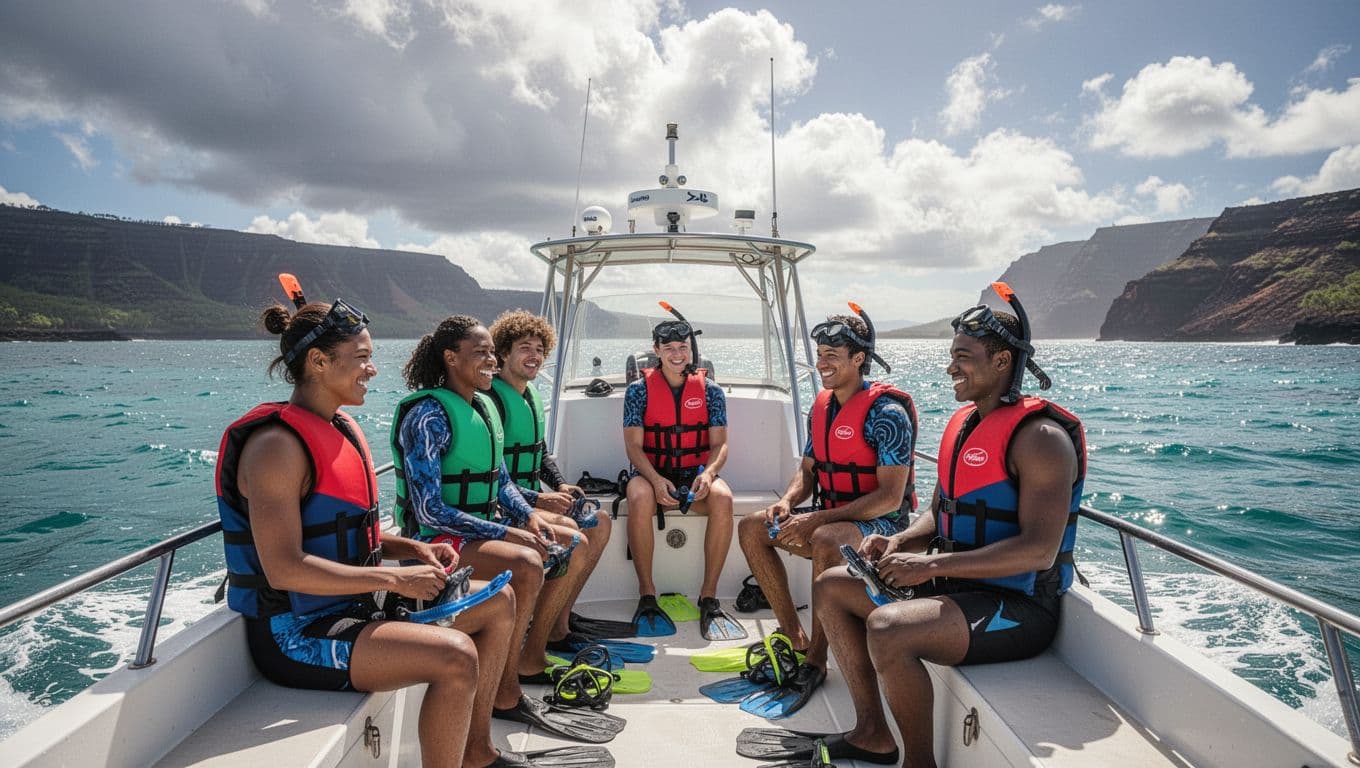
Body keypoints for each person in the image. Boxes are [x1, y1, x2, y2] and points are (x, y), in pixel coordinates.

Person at [217, 298, 516, 768]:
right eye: (361, 358)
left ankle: (478, 752)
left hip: (354, 603)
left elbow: (350, 534)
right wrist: (395, 579)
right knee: (455, 657)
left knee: (499, 602)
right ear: (318, 362)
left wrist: (412, 548)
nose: (373, 370)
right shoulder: (276, 447)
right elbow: (284, 568)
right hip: (296, 633)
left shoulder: (338, 426)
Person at [815, 293, 1086, 768]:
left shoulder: (1042, 440)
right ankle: (873, 734)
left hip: (1019, 607)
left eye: (963, 357)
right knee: (831, 588)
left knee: (888, 630)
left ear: (1002, 360)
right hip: (956, 588)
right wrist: (899, 541)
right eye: (951, 357)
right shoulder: (964, 424)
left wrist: (930, 566)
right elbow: (940, 512)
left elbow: (1040, 552)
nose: (950, 369)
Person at [393, 314, 621, 750]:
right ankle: (507, 689)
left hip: (474, 532)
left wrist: (529, 516)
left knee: (559, 542)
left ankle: (517, 673)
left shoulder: (480, 408)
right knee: (526, 562)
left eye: (490, 353)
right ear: (450, 358)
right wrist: (505, 530)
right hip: (432, 542)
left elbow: (499, 481)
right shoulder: (427, 416)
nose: (490, 361)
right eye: (480, 353)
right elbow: (429, 508)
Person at [737, 307, 918, 718]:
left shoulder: (887, 415)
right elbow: (807, 474)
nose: (822, 363)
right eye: (819, 354)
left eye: (832, 355)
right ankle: (794, 636)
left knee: (825, 537)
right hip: (830, 519)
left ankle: (816, 661)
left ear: (858, 359)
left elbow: (890, 498)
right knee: (752, 527)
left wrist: (817, 518)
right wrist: (787, 501)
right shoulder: (821, 407)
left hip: (879, 528)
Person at [486, 310, 612, 645]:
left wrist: (559, 485)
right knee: (574, 537)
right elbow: (496, 474)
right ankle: (543, 634)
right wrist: (539, 499)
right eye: (525, 347)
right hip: (506, 507)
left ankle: (560, 618)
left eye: (540, 349)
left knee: (599, 522)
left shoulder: (529, 396)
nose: (535, 355)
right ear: (503, 353)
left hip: (532, 500)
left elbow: (539, 452)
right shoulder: (493, 399)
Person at [622, 312, 743, 640]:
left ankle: (709, 597)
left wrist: (709, 474)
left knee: (724, 497)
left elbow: (719, 445)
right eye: (670, 348)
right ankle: (647, 595)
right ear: (656, 351)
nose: (678, 354)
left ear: (691, 350)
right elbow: (634, 447)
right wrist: (656, 478)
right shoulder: (638, 391)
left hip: (696, 477)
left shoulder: (711, 392)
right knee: (639, 496)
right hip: (651, 474)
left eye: (683, 347)